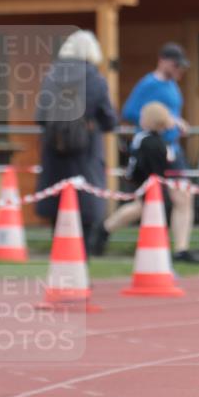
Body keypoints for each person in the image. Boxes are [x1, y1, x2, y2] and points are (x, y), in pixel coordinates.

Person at [35, 30, 117, 254]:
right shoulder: (96, 79)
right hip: (86, 154)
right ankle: (81, 265)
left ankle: (59, 262)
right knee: (85, 210)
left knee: (58, 210)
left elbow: (40, 116)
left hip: (54, 153)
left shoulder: (51, 76)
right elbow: (110, 120)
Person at [121, 43, 199, 263]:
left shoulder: (173, 85)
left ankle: (181, 249)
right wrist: (165, 119)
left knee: (183, 197)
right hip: (153, 150)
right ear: (163, 60)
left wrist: (175, 121)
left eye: (181, 66)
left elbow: (172, 113)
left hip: (173, 149)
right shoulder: (148, 84)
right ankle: (105, 229)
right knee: (145, 201)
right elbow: (129, 112)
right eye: (176, 65)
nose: (179, 70)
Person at [90, 101, 176, 253]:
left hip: (149, 182)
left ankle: (107, 232)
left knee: (145, 210)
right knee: (142, 209)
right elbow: (140, 163)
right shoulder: (147, 140)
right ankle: (104, 231)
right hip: (146, 183)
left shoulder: (151, 140)